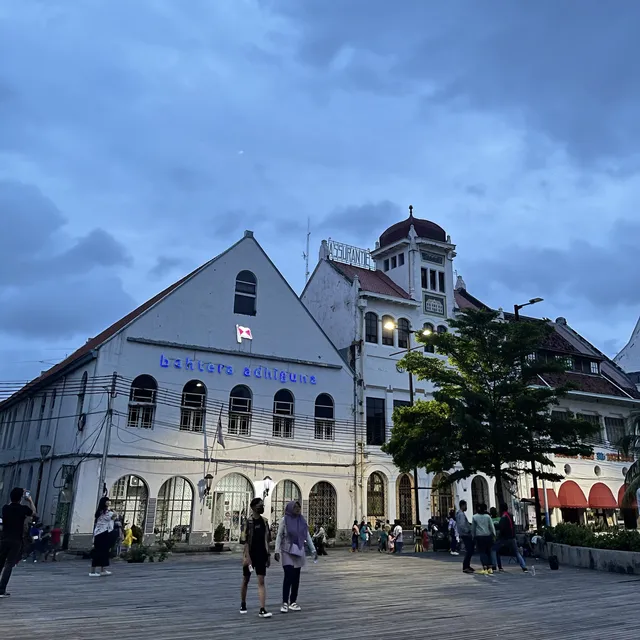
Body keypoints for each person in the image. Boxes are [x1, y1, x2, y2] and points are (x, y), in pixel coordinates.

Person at [274, 500, 317, 614]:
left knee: (296, 577)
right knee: (288, 574)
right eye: (295, 507)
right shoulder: (285, 520)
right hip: (286, 550)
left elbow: (306, 536)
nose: (298, 509)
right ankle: (284, 602)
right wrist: (276, 550)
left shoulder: (302, 521)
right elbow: (279, 536)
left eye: (299, 507)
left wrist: (313, 550)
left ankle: (293, 601)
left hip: (298, 550)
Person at [0, 488, 36, 598]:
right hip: (16, 540)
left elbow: (10, 505)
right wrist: (29, 500)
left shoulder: (5, 508)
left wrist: (18, 493)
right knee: (9, 564)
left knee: (0, 563)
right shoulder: (23, 509)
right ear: (21, 498)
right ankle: (1, 590)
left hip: (4, 539)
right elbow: (34, 513)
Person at [239, 497, 272, 618]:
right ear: (253, 508)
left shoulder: (265, 521)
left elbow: (267, 540)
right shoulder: (247, 522)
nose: (262, 507)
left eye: (263, 505)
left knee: (261, 581)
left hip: (261, 554)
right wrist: (247, 557)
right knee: (246, 580)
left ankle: (262, 608)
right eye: (259, 505)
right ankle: (243, 603)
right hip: (250, 554)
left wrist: (268, 555)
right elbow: (245, 541)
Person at [493, 503, 528, 573]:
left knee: (494, 550)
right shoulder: (510, 515)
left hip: (504, 537)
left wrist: (495, 526)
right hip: (512, 537)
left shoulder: (503, 517)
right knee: (516, 552)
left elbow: (501, 527)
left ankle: (496, 566)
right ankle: (524, 567)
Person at [90, 497, 117, 577]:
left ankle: (102, 570)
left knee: (104, 552)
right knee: (99, 552)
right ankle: (93, 571)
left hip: (102, 533)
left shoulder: (102, 511)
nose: (109, 502)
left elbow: (113, 518)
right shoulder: (104, 512)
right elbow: (112, 517)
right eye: (107, 501)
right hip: (102, 533)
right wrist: (114, 513)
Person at [472, 503, 496, 575]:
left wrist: (473, 536)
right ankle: (490, 568)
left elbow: (473, 528)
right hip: (488, 536)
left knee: (482, 552)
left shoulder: (475, 517)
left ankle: (485, 568)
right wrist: (494, 535)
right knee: (488, 552)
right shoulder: (488, 517)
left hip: (479, 536)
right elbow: (492, 527)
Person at [456, 500, 475, 574]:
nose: (466, 507)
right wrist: (468, 530)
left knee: (470, 550)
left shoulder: (460, 514)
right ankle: (465, 566)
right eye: (466, 505)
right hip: (465, 534)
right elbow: (462, 525)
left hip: (464, 534)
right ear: (463, 506)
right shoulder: (461, 514)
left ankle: (467, 565)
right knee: (469, 550)